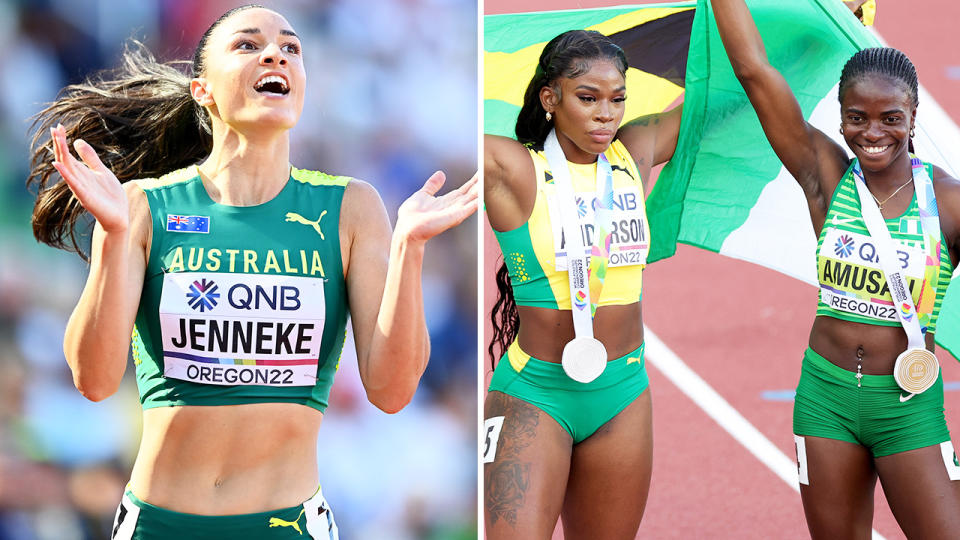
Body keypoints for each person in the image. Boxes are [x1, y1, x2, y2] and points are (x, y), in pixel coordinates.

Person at [26, 5, 477, 539]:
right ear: (203, 90)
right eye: (247, 45)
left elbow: (392, 391)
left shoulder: (351, 208)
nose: (275, 54)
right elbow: (95, 381)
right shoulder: (142, 207)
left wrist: (411, 247)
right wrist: (115, 238)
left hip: (287, 526)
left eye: (291, 48)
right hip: (158, 523)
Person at [712, 0, 960, 537]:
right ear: (841, 115)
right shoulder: (824, 176)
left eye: (891, 118)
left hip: (907, 406)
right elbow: (755, 74)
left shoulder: (948, 202)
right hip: (825, 401)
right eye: (857, 117)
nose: (873, 132)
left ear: (914, 115)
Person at [483, 29, 682, 539]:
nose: (606, 114)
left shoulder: (633, 153)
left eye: (617, 99)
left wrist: (809, 23)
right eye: (587, 98)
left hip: (623, 393)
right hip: (536, 394)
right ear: (550, 99)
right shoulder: (515, 168)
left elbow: (730, 95)